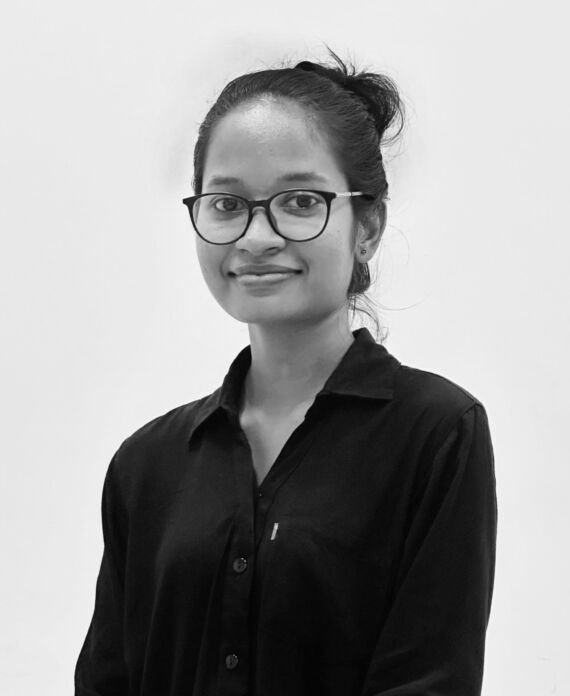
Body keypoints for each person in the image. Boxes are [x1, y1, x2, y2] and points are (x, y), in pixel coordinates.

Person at [75, 47, 497, 696]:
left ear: (368, 226)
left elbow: (429, 681)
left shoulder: (436, 433)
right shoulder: (146, 465)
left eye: (299, 201)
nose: (256, 237)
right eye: (226, 204)